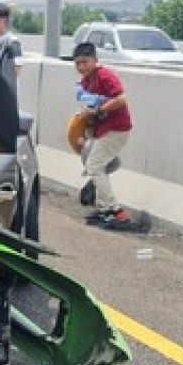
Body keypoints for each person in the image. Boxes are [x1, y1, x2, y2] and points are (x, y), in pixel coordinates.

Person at [72, 41, 133, 230]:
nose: (81, 67)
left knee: (94, 166)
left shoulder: (105, 75)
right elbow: (89, 106)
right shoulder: (84, 82)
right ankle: (104, 209)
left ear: (95, 61)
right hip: (101, 130)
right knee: (97, 166)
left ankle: (115, 211)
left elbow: (121, 99)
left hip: (116, 129)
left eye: (85, 62)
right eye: (78, 63)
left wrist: (98, 110)